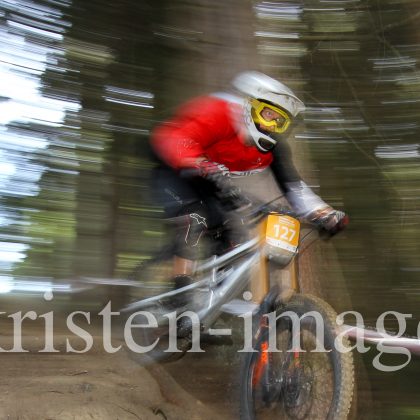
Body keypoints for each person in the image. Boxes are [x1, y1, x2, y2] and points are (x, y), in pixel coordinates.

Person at [149, 71, 348, 292]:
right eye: (268, 114)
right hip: (173, 168)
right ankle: (180, 293)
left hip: (210, 180)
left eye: (279, 121)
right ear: (249, 107)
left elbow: (294, 187)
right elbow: (178, 139)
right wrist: (199, 162)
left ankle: (215, 298)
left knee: (230, 237)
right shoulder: (221, 114)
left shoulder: (274, 150)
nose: (272, 125)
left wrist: (322, 212)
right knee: (195, 217)